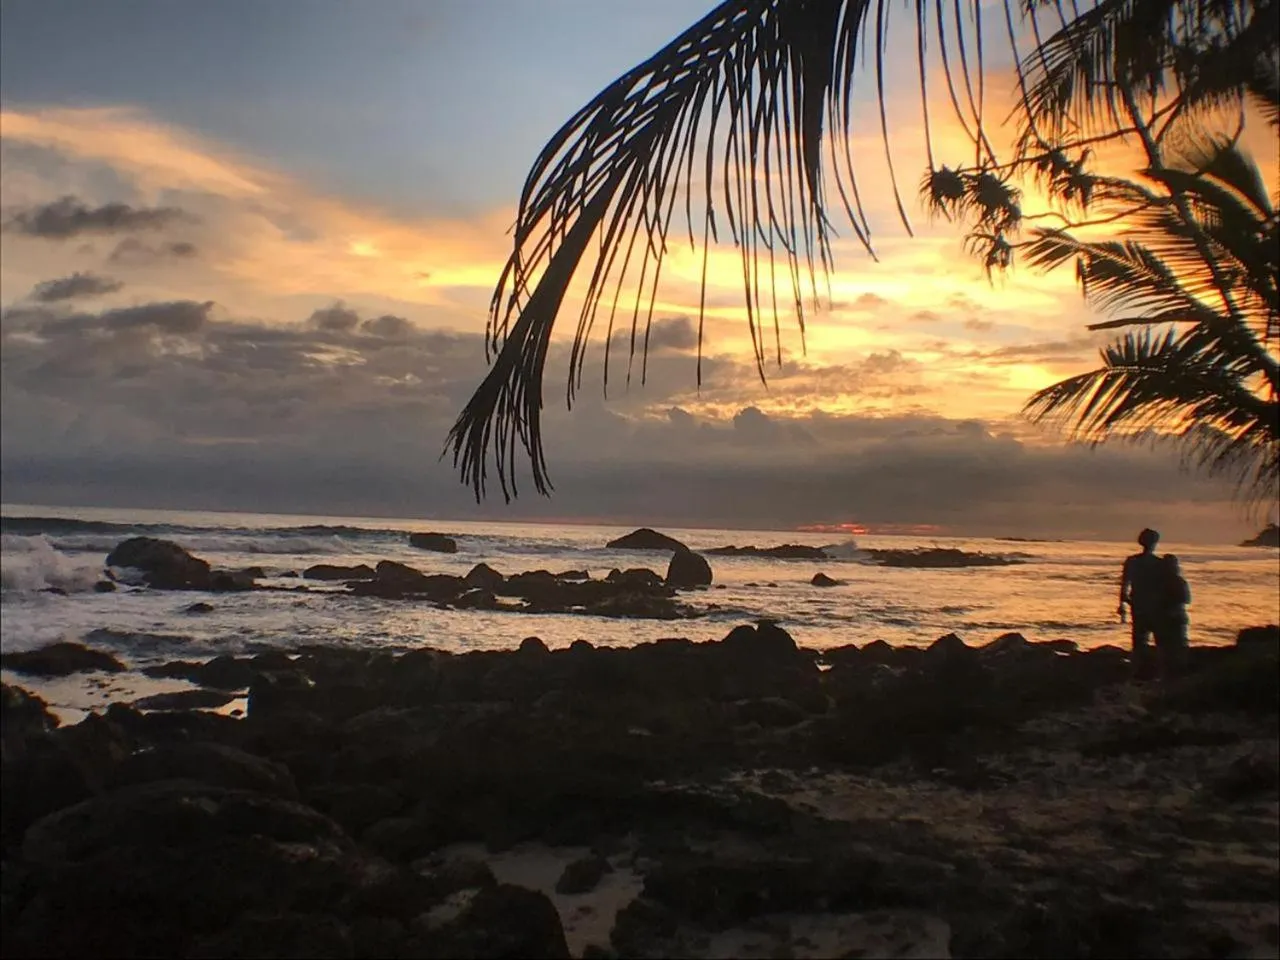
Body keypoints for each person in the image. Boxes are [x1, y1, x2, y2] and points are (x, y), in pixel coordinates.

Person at [1118, 528, 1164, 679]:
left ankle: (1138, 671)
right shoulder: (1159, 563)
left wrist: (1123, 604)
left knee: (1139, 640)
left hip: (1138, 604)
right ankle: (1152, 671)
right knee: (1156, 639)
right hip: (1154, 606)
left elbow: (1124, 585)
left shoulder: (1132, 561)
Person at [1154, 554, 1191, 679]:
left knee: (1170, 648)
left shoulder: (1169, 582)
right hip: (1171, 618)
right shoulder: (1177, 581)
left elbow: (1184, 600)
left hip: (1172, 618)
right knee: (1171, 647)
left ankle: (1172, 673)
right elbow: (1186, 599)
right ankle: (1173, 673)